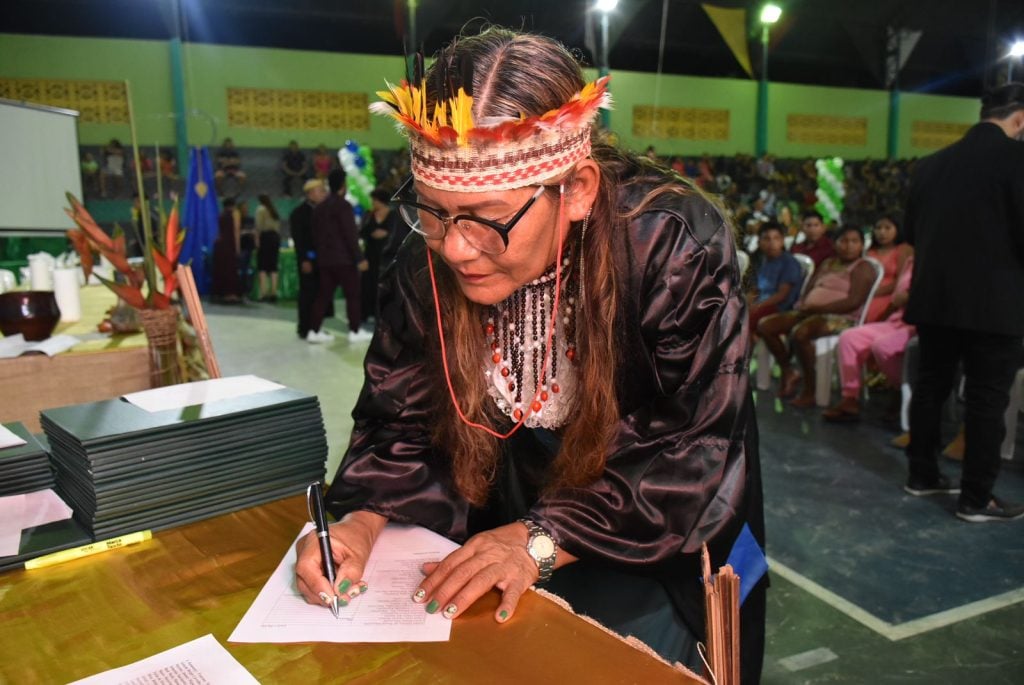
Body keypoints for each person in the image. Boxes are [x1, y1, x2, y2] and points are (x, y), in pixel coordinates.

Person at [293, 28, 766, 682]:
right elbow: (399, 419)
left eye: (486, 218)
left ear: (575, 191)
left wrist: (537, 541)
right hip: (506, 508)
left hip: (653, 529)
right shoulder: (424, 259)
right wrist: (362, 524)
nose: (455, 249)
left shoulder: (671, 248)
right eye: (432, 212)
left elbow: (690, 450)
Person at [903, 82, 1024, 522]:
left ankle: (922, 474)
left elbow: (911, 233)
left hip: (935, 299)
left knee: (931, 388)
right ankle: (976, 498)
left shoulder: (931, 165)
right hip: (996, 304)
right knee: (987, 399)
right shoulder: (1017, 160)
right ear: (1021, 118)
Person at [758, 227, 875, 407]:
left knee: (800, 333)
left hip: (841, 317)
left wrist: (818, 308)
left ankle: (810, 389)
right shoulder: (828, 263)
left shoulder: (863, 267)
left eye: (854, 241)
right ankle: (788, 371)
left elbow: (854, 301)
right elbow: (809, 288)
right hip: (811, 312)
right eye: (844, 241)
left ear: (861, 245)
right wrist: (804, 303)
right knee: (766, 325)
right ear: (835, 243)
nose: (849, 246)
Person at [823, 258, 915, 422]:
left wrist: (909, 297)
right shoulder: (911, 260)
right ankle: (850, 397)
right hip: (897, 320)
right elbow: (896, 298)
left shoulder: (938, 260)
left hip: (918, 324)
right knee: (849, 337)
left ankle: (904, 389)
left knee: (882, 346)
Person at [307, 169, 371, 344]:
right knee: (353, 295)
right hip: (344, 260)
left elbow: (315, 235)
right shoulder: (343, 206)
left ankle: (314, 330)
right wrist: (359, 258)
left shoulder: (319, 208)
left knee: (323, 296)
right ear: (343, 185)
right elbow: (350, 234)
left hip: (325, 260)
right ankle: (355, 331)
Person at [290, 178, 331, 339]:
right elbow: (299, 240)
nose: (323, 194)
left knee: (321, 294)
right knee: (308, 294)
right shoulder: (299, 213)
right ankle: (306, 328)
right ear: (310, 193)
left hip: (323, 260)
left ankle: (317, 327)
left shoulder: (324, 211)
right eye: (320, 191)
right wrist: (304, 260)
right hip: (309, 260)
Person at [747, 221, 803, 337]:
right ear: (759, 242)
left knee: (745, 322)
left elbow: (781, 295)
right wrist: (747, 304)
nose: (771, 243)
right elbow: (756, 289)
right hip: (762, 304)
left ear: (782, 241)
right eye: (766, 239)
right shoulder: (764, 260)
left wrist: (757, 306)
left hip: (779, 308)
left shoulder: (789, 262)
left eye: (776, 238)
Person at [359, 188, 402, 320]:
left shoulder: (394, 215)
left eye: (375, 200)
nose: (373, 203)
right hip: (371, 255)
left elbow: (398, 234)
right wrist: (372, 234)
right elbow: (361, 232)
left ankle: (385, 313)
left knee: (386, 284)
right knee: (369, 284)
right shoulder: (368, 215)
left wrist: (386, 235)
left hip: (388, 255)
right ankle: (369, 312)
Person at [864, 214, 912, 323]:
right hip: (865, 293)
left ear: (897, 229)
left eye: (887, 228)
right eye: (878, 228)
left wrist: (875, 292)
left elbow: (901, 281)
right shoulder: (869, 252)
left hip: (889, 295)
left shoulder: (903, 249)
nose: (882, 232)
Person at [211, 197, 243, 303]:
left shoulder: (221, 215)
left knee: (222, 269)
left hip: (220, 245)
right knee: (231, 268)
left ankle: (221, 293)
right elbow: (236, 231)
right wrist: (238, 248)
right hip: (230, 244)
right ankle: (231, 293)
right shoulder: (235, 214)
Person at [255, 194, 282, 302]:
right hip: (275, 238)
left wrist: (257, 241)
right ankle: (274, 292)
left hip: (265, 238)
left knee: (262, 266)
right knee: (273, 266)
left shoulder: (260, 209)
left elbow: (259, 226)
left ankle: (263, 293)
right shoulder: (273, 210)